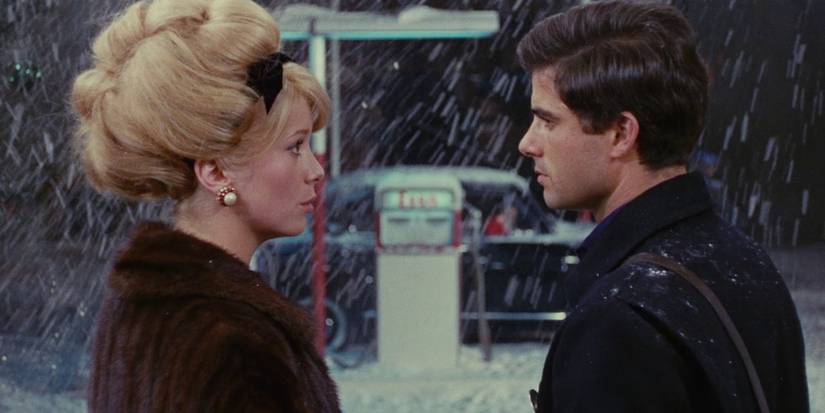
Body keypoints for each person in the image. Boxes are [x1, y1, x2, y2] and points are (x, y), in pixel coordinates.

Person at [516, 1, 808, 412]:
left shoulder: (617, 320)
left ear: (620, 133)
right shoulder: (743, 260)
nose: (527, 143)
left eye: (547, 121)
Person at [71, 0, 340, 411]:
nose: (315, 170)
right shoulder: (235, 342)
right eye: (295, 146)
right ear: (215, 173)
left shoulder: (139, 307)